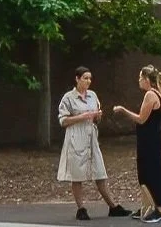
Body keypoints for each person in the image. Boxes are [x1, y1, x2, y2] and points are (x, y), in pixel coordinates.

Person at [58, 65, 129, 221]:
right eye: (85, 78)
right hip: (76, 137)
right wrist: (84, 116)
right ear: (77, 79)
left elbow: (96, 116)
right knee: (77, 175)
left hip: (91, 138)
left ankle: (113, 206)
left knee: (100, 172)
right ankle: (81, 208)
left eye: (90, 78)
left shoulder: (92, 95)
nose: (88, 81)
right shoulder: (68, 98)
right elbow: (63, 121)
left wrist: (97, 116)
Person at [113, 64, 161, 222]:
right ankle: (150, 205)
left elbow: (141, 119)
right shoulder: (155, 94)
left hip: (150, 140)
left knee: (152, 172)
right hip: (149, 139)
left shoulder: (151, 95)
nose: (138, 80)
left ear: (147, 79)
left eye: (140, 77)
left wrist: (123, 110)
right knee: (146, 172)